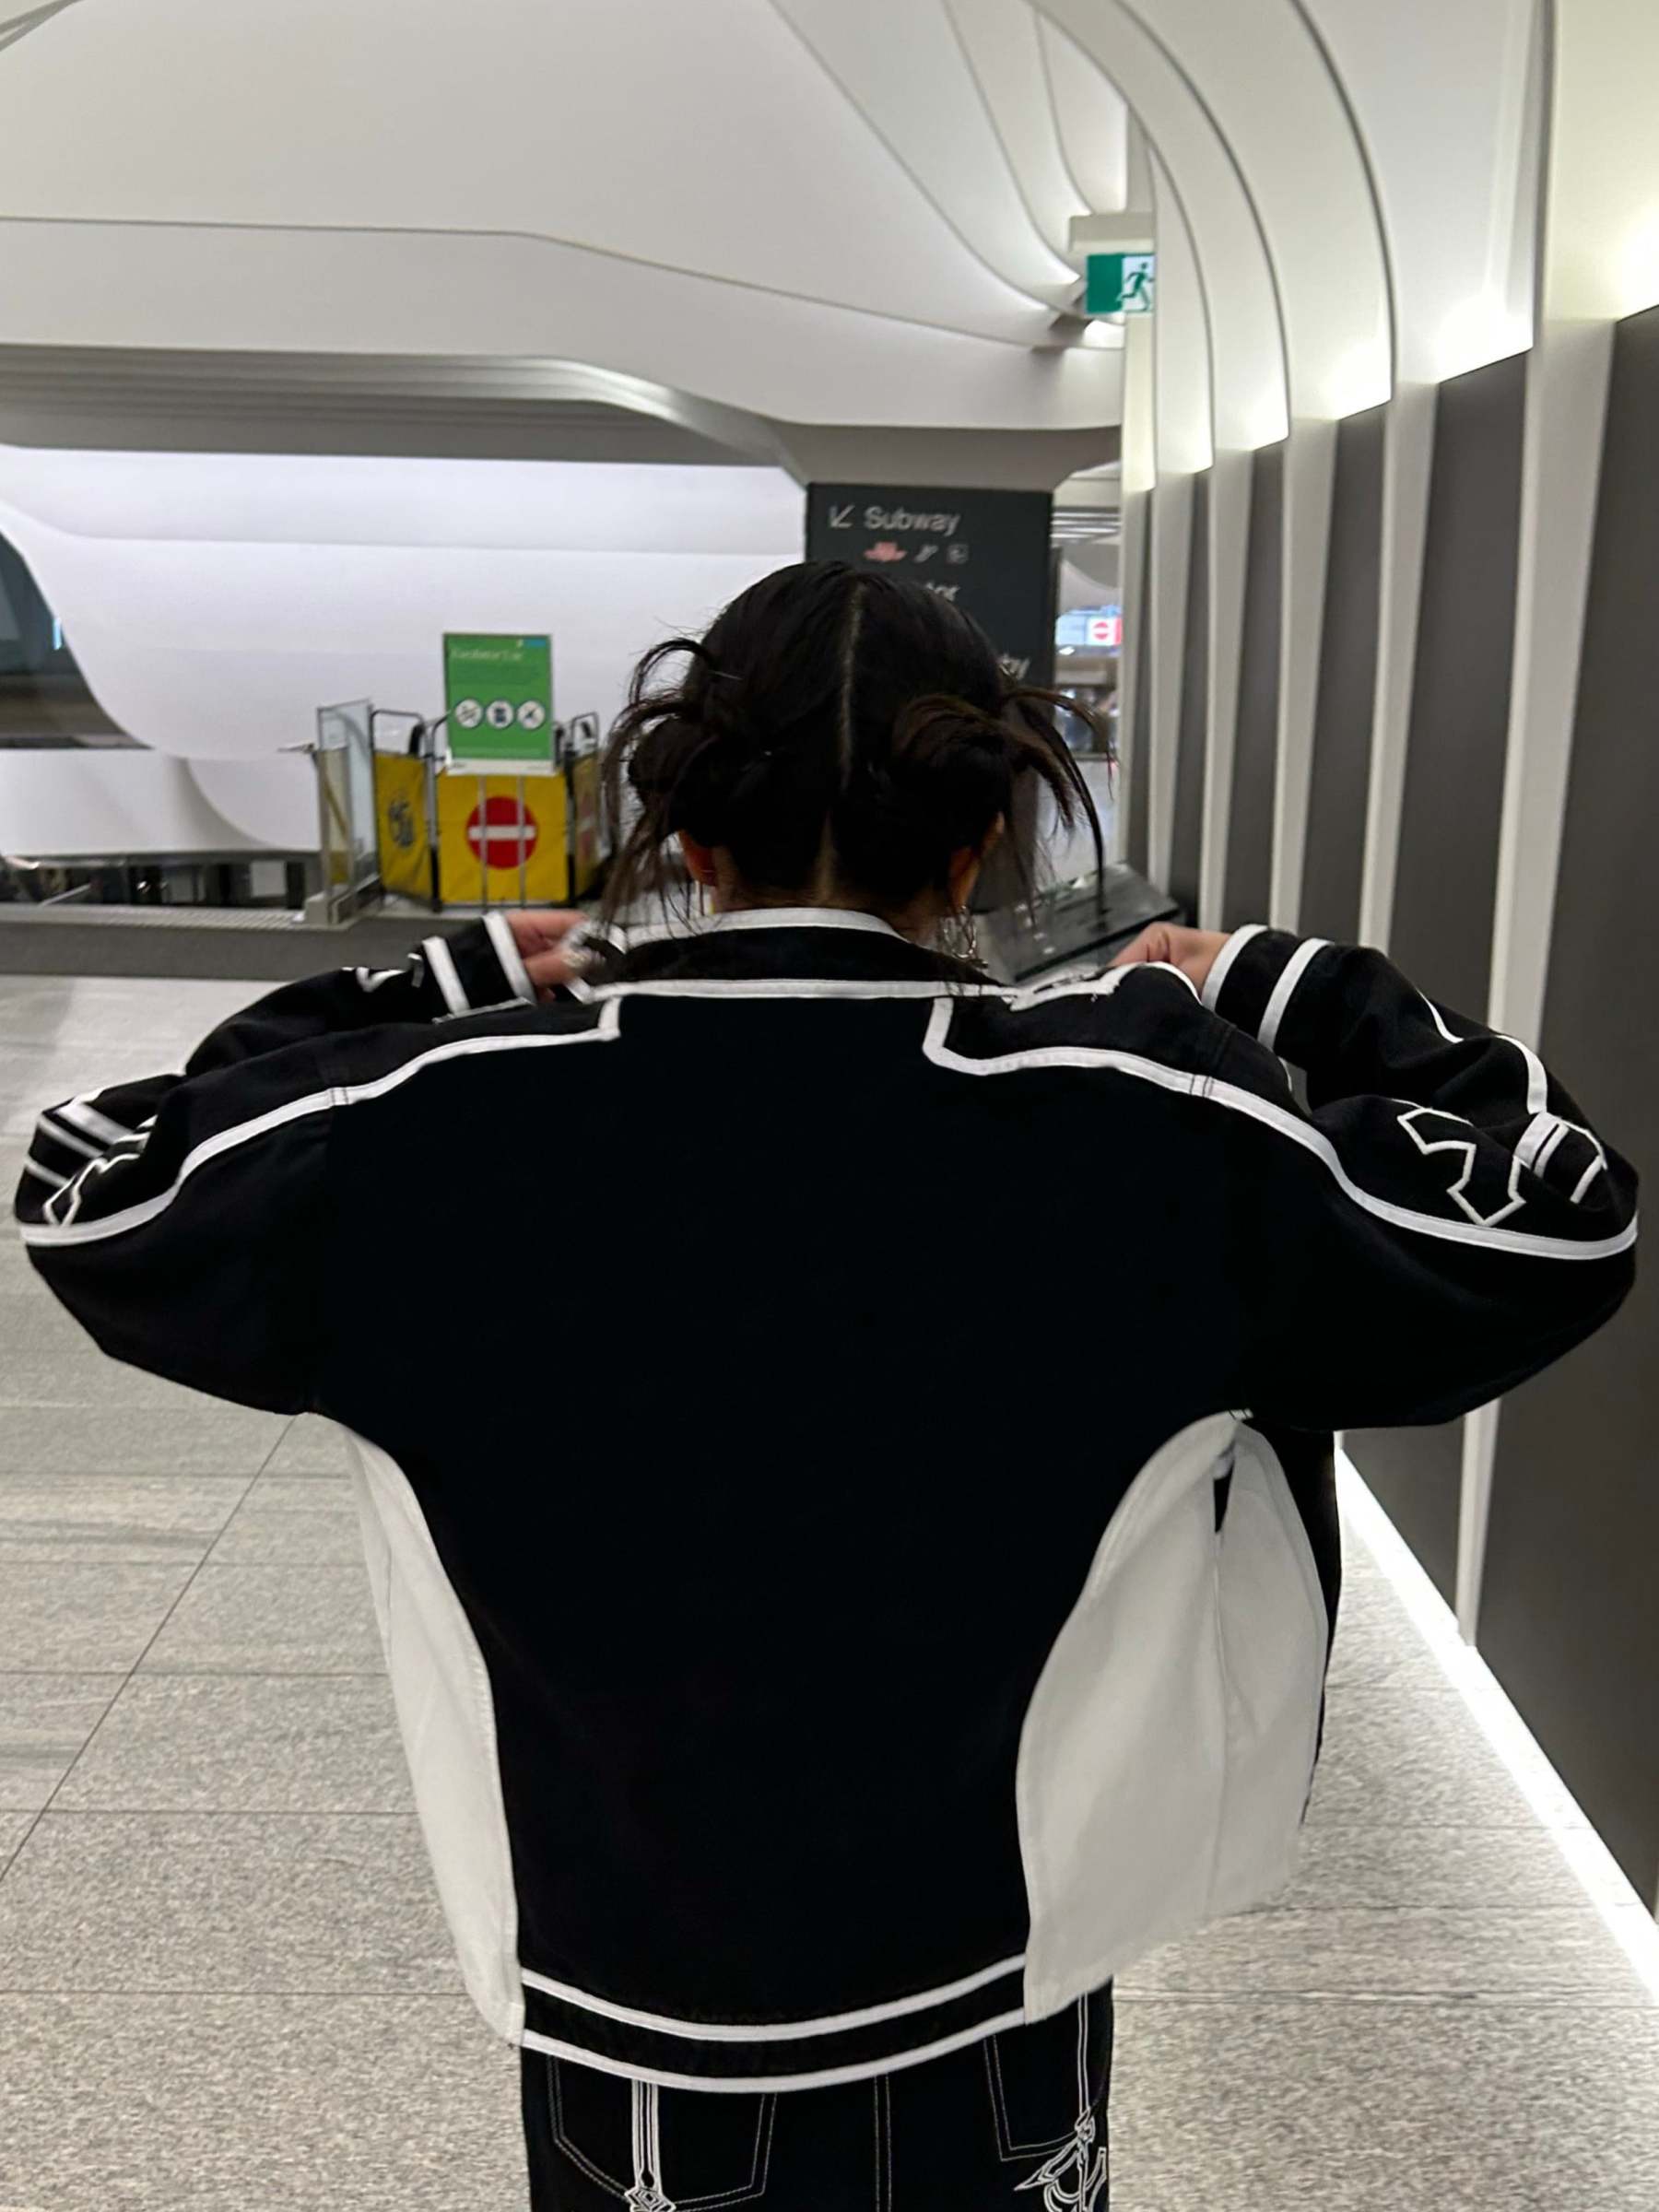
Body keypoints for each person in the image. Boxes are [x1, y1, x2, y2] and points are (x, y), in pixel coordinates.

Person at [14, 561, 1635, 2211]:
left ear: (692, 842)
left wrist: (441, 983)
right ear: (977, 843)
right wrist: (1284, 985)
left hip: (625, 2013)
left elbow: (98, 1184)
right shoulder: (1139, 1126)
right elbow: (1557, 1210)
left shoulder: (445, 1124)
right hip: (993, 1993)